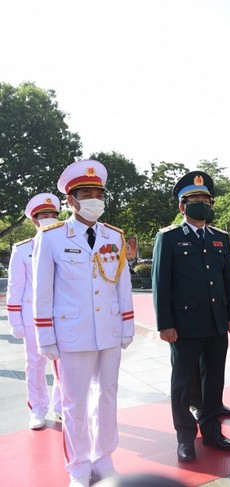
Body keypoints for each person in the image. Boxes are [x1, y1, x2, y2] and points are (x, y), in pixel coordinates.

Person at [33, 160, 135, 487]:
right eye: (87, 193)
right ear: (71, 200)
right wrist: (45, 336)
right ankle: (78, 466)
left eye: (99, 193)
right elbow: (42, 290)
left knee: (108, 396)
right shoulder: (51, 237)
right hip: (71, 334)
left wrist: (127, 325)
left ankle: (104, 459)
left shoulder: (113, 236)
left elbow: (123, 285)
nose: (95, 199)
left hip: (107, 330)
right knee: (74, 404)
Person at [152, 171, 230, 462]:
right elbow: (161, 284)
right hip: (185, 325)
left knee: (214, 379)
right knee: (182, 382)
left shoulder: (220, 238)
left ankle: (212, 430)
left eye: (206, 199)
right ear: (182, 206)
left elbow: (227, 280)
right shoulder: (169, 238)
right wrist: (165, 324)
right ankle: (185, 437)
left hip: (216, 322)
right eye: (195, 200)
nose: (202, 204)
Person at [7, 193, 63, 430]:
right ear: (34, 221)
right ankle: (38, 409)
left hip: (61, 316)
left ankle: (62, 407)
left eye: (52, 215)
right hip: (32, 319)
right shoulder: (22, 250)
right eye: (44, 216)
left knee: (64, 367)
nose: (49, 219)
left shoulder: (67, 245)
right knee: (35, 365)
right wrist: (15, 321)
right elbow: (15, 287)